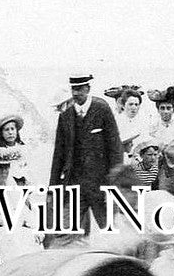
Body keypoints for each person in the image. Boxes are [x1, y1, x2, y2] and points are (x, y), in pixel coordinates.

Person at [49, 75, 124, 231]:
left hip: (101, 184)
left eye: (79, 89)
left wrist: (114, 183)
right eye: (73, 89)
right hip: (74, 185)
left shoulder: (102, 108)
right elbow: (59, 155)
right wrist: (53, 188)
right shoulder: (65, 115)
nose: (76, 93)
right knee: (67, 229)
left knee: (110, 229)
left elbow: (115, 148)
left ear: (88, 89)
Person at [147, 86, 174, 192]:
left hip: (172, 167)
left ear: (173, 109)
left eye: (169, 108)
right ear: (158, 110)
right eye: (162, 108)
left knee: (167, 192)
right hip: (154, 165)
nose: (165, 111)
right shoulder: (152, 127)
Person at [0, 114, 31, 185]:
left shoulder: (23, 148)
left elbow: (26, 169)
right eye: (6, 130)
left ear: (16, 131)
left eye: (12, 129)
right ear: (1, 133)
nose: (10, 132)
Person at [115, 86, 147, 153]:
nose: (134, 107)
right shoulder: (116, 121)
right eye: (130, 104)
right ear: (123, 105)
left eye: (136, 104)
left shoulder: (143, 122)